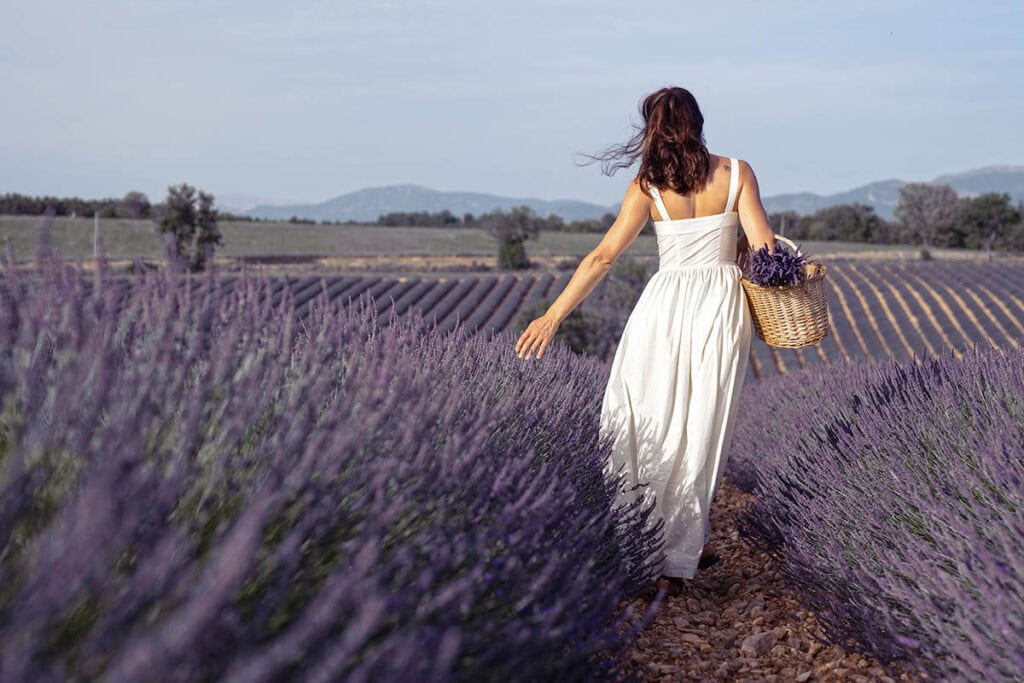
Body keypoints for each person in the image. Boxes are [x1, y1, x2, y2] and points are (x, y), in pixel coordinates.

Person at [513, 86, 776, 596]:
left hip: (663, 307)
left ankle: (650, 544)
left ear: (652, 128)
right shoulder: (738, 172)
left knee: (642, 415)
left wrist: (552, 315)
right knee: (699, 424)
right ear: (699, 123)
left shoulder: (647, 186)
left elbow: (602, 257)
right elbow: (764, 248)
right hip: (720, 308)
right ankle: (681, 548)